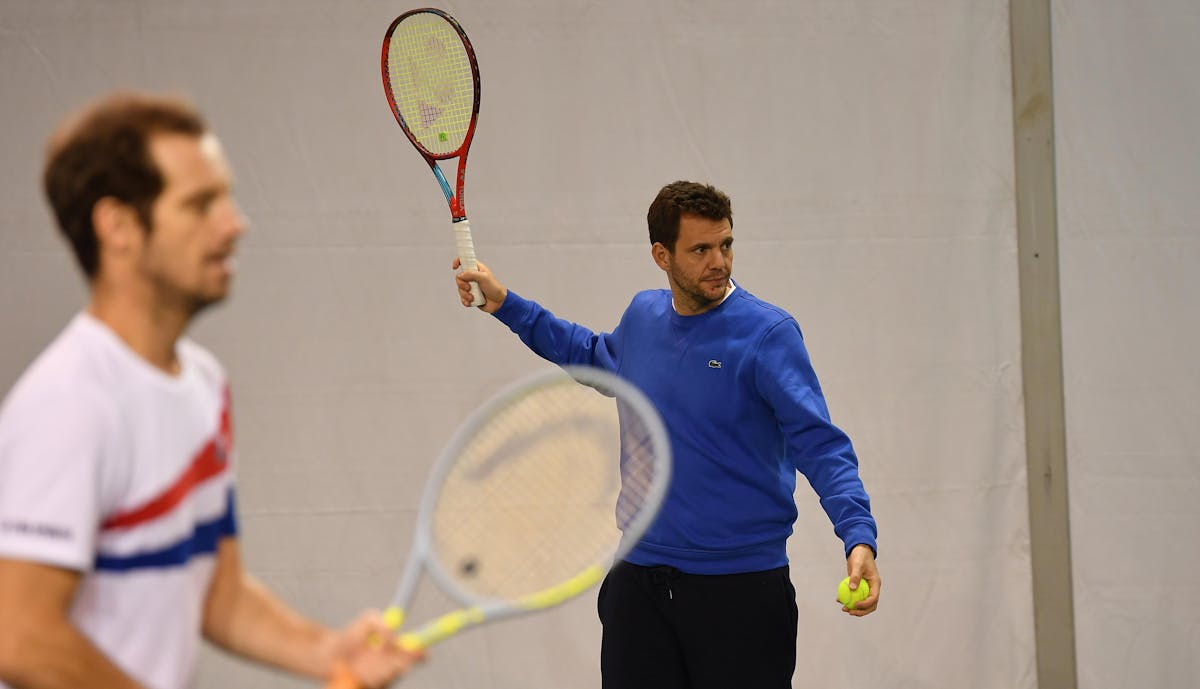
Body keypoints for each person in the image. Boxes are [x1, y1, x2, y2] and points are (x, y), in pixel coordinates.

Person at [0, 92, 423, 689]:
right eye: (200, 204)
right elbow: (18, 635)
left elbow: (217, 593)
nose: (234, 222)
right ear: (117, 226)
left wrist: (330, 653)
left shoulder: (203, 385)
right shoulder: (69, 403)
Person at [453, 180, 881, 689]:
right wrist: (506, 305)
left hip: (740, 593)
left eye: (725, 245)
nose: (718, 261)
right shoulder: (643, 316)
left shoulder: (768, 335)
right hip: (638, 589)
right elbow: (595, 357)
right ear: (662, 255)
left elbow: (821, 444)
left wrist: (858, 536)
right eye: (700, 250)